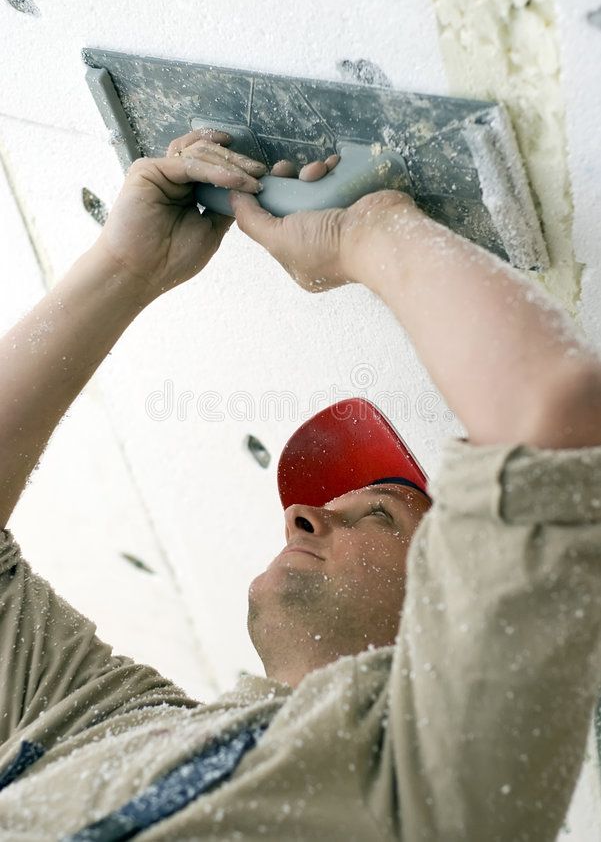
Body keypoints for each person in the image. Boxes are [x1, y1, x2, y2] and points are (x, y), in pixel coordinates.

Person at [0, 128, 600, 841]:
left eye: (379, 515)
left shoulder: (428, 777)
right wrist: (128, 264)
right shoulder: (104, 730)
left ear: (458, 607)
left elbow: (554, 420)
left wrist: (369, 230)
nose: (301, 518)